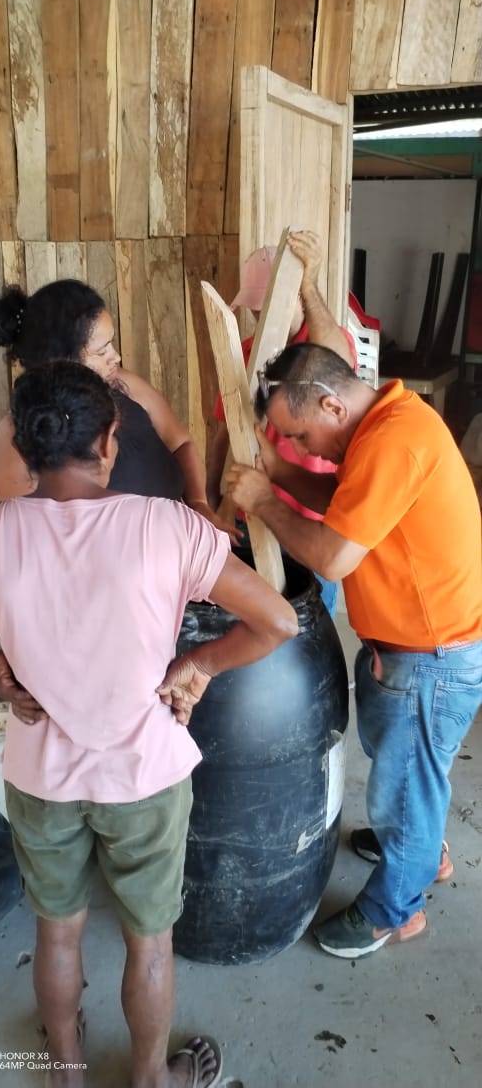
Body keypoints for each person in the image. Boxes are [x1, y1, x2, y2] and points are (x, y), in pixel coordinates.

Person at [0, 360, 298, 1087]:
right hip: (145, 773)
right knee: (150, 941)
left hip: (41, 775)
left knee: (58, 932)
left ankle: (65, 1072)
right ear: (110, 441)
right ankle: (151, 1080)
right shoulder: (165, 526)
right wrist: (199, 665)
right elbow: (278, 620)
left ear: (22, 446)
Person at [225, 341, 482, 960]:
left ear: (332, 406)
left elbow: (332, 556)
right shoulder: (386, 425)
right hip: (417, 649)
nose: (305, 449)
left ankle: (394, 911)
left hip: (429, 659)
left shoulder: (395, 443)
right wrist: (277, 473)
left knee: (405, 785)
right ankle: (422, 851)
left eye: (301, 436)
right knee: (412, 778)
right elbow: (342, 506)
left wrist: (263, 501)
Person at [0, 278, 238, 542]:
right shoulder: (19, 436)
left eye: (111, 343)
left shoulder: (124, 386)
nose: (116, 357)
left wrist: (198, 504)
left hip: (180, 546)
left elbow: (180, 442)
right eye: (101, 351)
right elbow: (32, 538)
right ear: (61, 361)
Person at [206, 231, 356, 617]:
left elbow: (337, 362)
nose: (259, 317)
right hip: (250, 514)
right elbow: (223, 432)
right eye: (254, 309)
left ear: (296, 298)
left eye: (266, 307)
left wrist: (309, 286)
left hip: (310, 519)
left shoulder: (322, 345)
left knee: (310, 626)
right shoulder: (244, 352)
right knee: (256, 625)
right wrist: (212, 501)